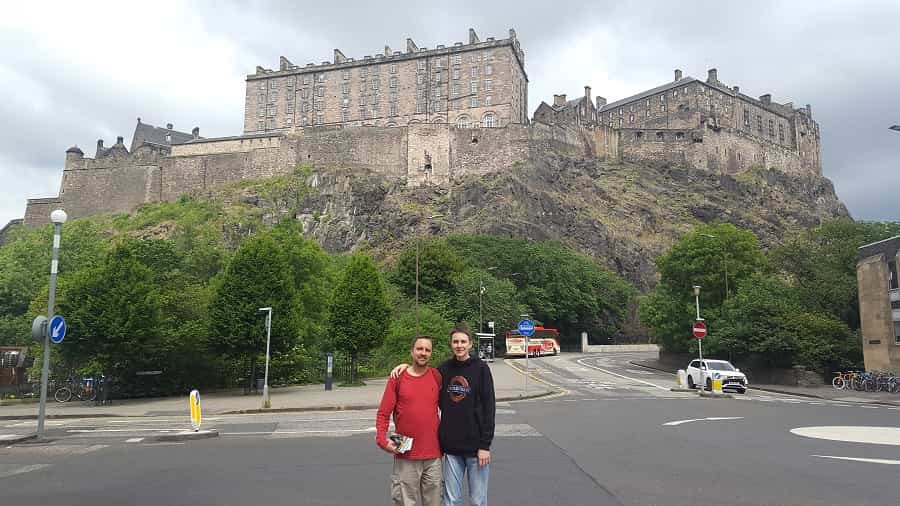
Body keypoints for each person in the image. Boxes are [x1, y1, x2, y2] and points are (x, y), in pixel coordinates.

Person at [393, 324, 496, 506]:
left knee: (478, 500)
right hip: (451, 449)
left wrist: (485, 446)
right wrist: (405, 366)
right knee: (451, 500)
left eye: (463, 341)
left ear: (470, 344)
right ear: (451, 344)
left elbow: (489, 408)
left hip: (476, 449)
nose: (459, 345)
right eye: (455, 341)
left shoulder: (481, 369)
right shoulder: (444, 370)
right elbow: (421, 373)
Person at [376, 336, 443, 506]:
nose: (423, 353)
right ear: (412, 352)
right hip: (404, 450)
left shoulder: (436, 376)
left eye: (427, 350)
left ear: (431, 353)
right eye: (419, 349)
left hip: (434, 454)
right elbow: (383, 413)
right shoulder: (398, 377)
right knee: (405, 502)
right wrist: (383, 441)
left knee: (434, 502)